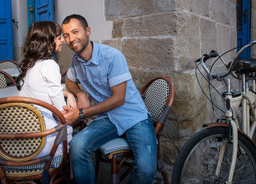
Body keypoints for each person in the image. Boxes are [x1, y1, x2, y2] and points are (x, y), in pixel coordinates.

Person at [61, 14, 157, 184]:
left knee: (146, 170)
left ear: (88, 31)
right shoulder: (76, 61)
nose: (71, 39)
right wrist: (80, 94)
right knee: (77, 145)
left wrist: (81, 113)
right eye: (66, 35)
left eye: (75, 32)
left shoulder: (112, 56)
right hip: (108, 118)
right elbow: (69, 81)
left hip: (134, 117)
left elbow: (118, 99)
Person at [16, 20, 76, 158]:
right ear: (49, 42)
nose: (63, 41)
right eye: (59, 37)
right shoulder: (49, 65)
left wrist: (69, 94)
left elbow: (44, 90)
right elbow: (61, 112)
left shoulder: (31, 65)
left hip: (26, 136)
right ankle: (72, 177)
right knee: (74, 135)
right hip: (45, 139)